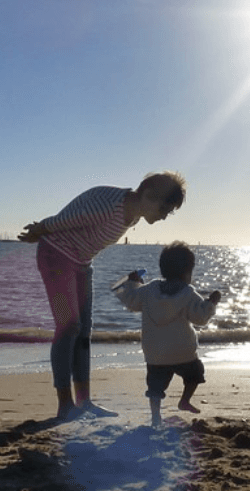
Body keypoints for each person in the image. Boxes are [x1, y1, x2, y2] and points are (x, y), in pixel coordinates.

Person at [18, 172, 186, 421]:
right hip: (55, 256)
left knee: (84, 330)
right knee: (69, 325)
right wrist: (38, 230)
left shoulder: (134, 214)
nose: (164, 216)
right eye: (165, 208)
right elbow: (61, 221)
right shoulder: (109, 205)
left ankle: (84, 402)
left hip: (82, 263)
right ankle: (65, 405)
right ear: (148, 195)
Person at [114, 241, 221, 427]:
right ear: (187, 272)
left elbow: (131, 300)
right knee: (194, 374)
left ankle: (156, 417)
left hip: (155, 353)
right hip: (183, 352)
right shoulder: (187, 293)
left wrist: (132, 283)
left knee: (155, 387)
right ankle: (184, 400)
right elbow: (200, 317)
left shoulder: (149, 290)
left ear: (163, 269)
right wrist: (211, 303)